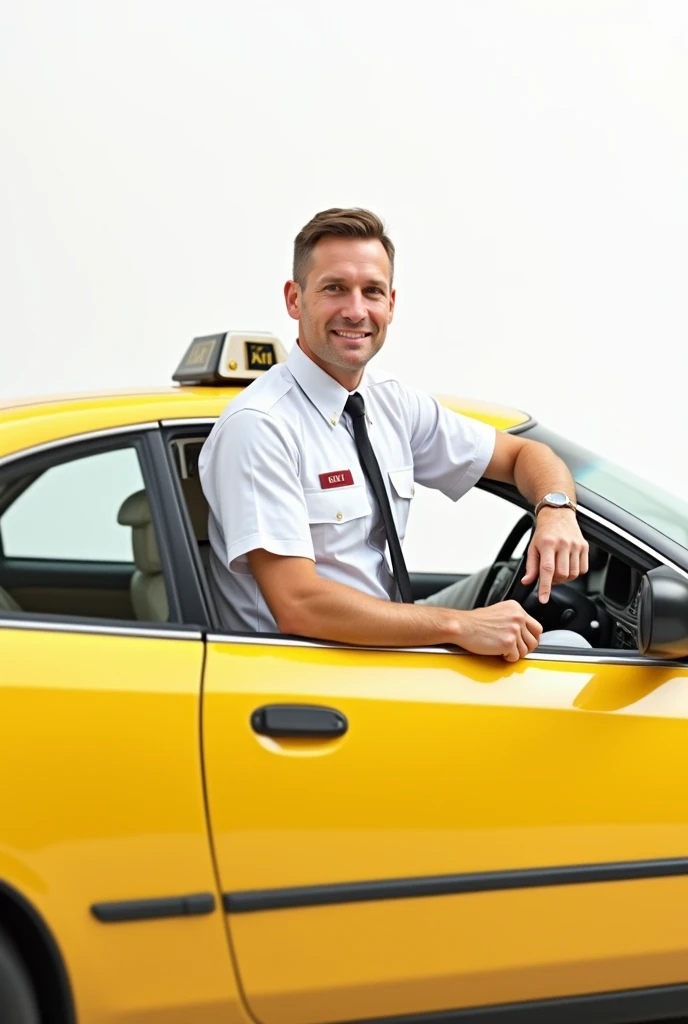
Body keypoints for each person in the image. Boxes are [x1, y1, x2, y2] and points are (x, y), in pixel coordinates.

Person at [199, 208, 589, 662]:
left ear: (391, 304)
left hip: (380, 641)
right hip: (315, 669)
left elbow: (525, 454)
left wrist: (557, 511)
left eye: (372, 291)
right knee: (570, 651)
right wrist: (461, 626)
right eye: (334, 289)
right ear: (294, 298)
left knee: (528, 603)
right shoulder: (261, 426)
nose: (356, 310)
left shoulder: (390, 402)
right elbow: (298, 605)